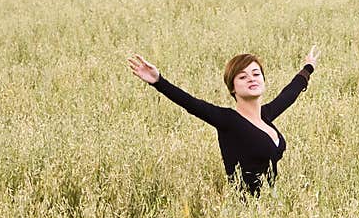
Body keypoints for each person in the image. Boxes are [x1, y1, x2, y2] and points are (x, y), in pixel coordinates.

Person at [127, 45, 320, 196]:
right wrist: (159, 81)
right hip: (245, 210)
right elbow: (191, 103)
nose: (251, 79)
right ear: (233, 88)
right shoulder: (228, 121)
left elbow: (290, 94)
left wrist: (308, 67)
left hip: (273, 203)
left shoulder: (265, 115)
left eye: (256, 74)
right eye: (243, 77)